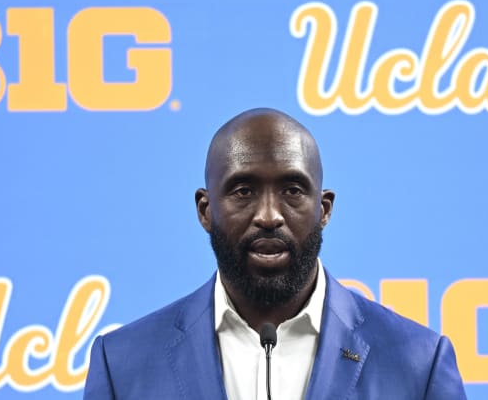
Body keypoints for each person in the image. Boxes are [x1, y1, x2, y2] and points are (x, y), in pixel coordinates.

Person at [83, 108, 467, 399]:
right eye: (243, 191)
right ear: (205, 210)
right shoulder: (122, 363)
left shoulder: (418, 362)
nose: (268, 216)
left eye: (293, 190)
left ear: (324, 209)